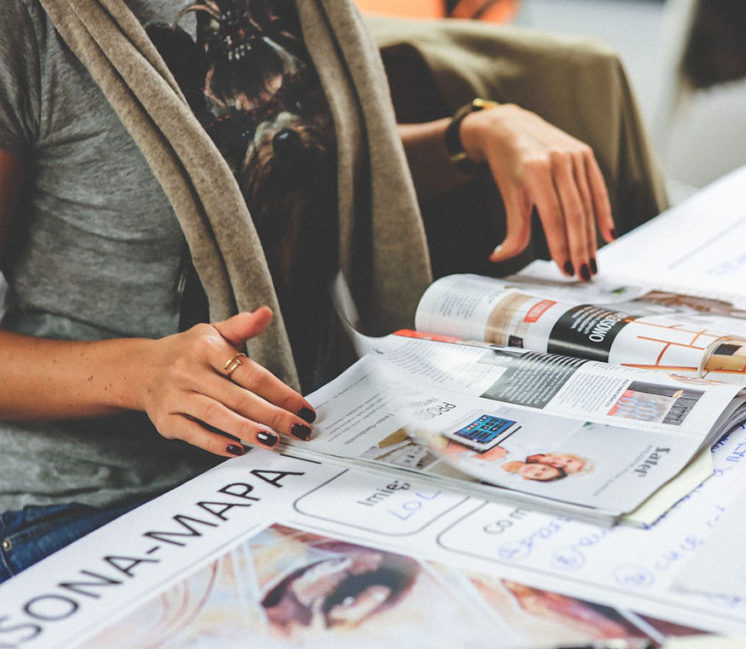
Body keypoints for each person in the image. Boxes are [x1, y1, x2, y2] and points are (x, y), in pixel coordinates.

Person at [0, 0, 622, 582]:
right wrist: (140, 372)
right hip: (95, 497)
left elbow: (303, 167)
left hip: (315, 442)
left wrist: (473, 134)